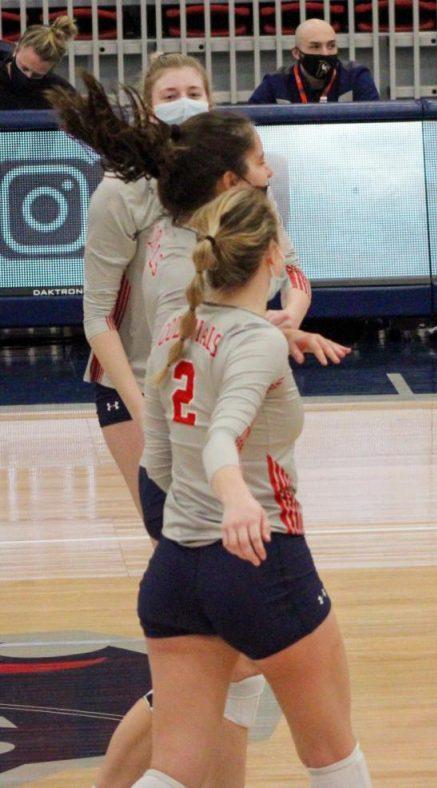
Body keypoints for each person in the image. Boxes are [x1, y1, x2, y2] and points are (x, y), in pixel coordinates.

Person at [50, 69, 344, 787]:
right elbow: (98, 319)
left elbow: (293, 274)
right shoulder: (126, 197)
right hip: (158, 408)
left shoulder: (247, 206)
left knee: (225, 656)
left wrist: (279, 326)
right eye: (171, 87)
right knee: (212, 645)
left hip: (209, 394)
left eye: (194, 85)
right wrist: (153, 402)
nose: (266, 171)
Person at [132, 184, 369, 787]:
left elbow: (157, 462)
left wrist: (197, 516)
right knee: (333, 757)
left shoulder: (172, 330)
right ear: (270, 260)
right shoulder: (255, 340)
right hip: (262, 560)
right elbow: (221, 438)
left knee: (174, 768)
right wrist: (235, 500)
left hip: (176, 573)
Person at [247, 18, 379, 104]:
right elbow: (250, 125)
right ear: (297, 53)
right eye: (315, 46)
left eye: (331, 45)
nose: (325, 53)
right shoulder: (275, 83)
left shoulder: (356, 77)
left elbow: (374, 124)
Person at [0, 16, 76, 110]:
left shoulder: (61, 92)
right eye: (24, 68)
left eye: (36, 75)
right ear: (16, 50)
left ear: (52, 68)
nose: (27, 76)